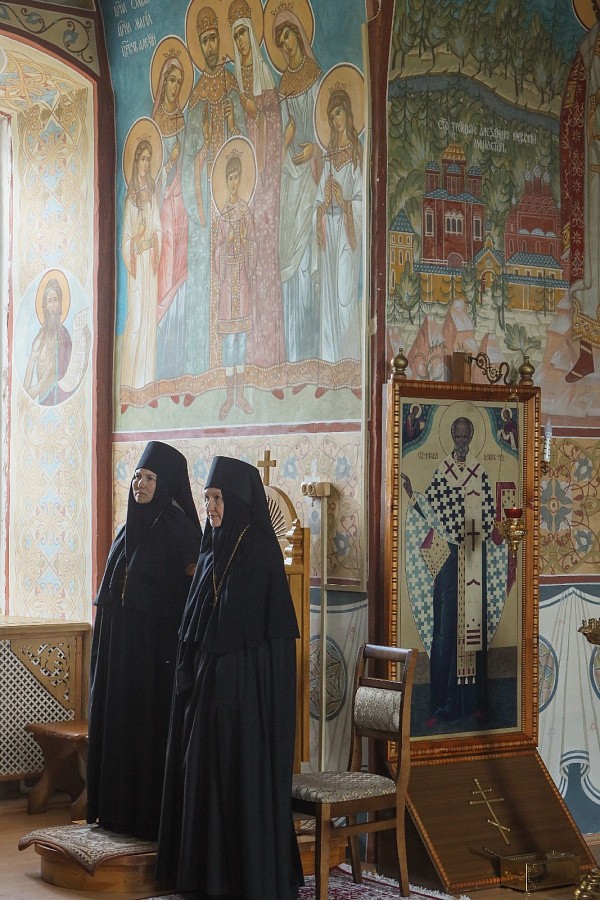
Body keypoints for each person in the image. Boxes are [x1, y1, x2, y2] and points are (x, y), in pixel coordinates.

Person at [156, 456, 303, 899]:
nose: (211, 508)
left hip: (245, 702)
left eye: (218, 499)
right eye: (207, 499)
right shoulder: (210, 550)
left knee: (238, 781)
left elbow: (268, 646)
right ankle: (206, 878)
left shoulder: (260, 554)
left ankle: (241, 878)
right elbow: (194, 625)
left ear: (238, 501)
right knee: (201, 776)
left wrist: (236, 683)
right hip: (208, 693)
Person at [86, 441, 202, 840]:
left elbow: (188, 599)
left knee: (147, 731)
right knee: (120, 726)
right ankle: (116, 812)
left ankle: (146, 818)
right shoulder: (127, 530)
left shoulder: (181, 531)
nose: (141, 484)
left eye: (150, 478)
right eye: (137, 476)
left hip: (154, 659)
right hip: (121, 654)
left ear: (166, 483)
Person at [401, 416, 508, 727]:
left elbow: (489, 513)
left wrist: (478, 525)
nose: (461, 440)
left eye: (465, 435)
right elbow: (432, 508)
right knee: (446, 629)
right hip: (449, 559)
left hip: (474, 554)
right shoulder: (444, 471)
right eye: (457, 435)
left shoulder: (479, 472)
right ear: (452, 437)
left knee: (476, 629)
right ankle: (441, 707)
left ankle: (476, 704)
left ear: (471, 437)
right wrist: (412, 494)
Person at [179, 6, 246, 398]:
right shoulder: (196, 98)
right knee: (207, 279)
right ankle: (205, 369)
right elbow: (189, 156)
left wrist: (234, 126)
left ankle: (235, 376)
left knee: (235, 287)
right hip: (207, 200)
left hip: (231, 200)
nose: (209, 45)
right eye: (202, 40)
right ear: (198, 45)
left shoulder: (231, 84)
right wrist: (202, 149)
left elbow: (243, 139)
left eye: (212, 38)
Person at [229, 0, 286, 385]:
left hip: (265, 184)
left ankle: (270, 355)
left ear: (251, 35)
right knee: (247, 270)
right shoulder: (235, 79)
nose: (240, 41)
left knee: (266, 264)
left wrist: (257, 109)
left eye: (243, 34)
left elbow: (274, 121)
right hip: (245, 185)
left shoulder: (264, 76)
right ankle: (248, 357)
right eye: (235, 36)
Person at [274, 10, 322, 371]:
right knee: (289, 257)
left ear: (298, 37)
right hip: (291, 176)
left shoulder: (315, 76)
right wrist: (286, 143)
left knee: (308, 257)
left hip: (311, 174)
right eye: (280, 43)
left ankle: (310, 347)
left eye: (288, 38)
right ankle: (292, 352)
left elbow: (324, 122)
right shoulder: (283, 85)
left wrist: (315, 149)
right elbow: (283, 131)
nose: (286, 46)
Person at [561, 3, 600, 382]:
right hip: (593, 177)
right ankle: (586, 356)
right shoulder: (586, 54)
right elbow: (572, 114)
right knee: (592, 267)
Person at [314, 87, 362, 378]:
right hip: (330, 231)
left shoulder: (357, 155)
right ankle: (330, 367)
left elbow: (362, 202)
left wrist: (344, 201)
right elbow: (318, 201)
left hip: (346, 230)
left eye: (339, 113)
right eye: (331, 116)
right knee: (329, 297)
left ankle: (348, 363)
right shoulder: (329, 158)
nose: (335, 120)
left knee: (344, 295)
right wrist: (323, 205)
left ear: (348, 114)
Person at [152, 54, 190, 383]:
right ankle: (160, 359)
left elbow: (189, 166)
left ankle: (176, 360)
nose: (175, 87)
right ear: (163, 83)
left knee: (180, 274)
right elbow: (149, 178)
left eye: (180, 82)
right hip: (162, 207)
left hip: (181, 206)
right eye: (171, 81)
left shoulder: (182, 122)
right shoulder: (154, 126)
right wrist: (169, 162)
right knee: (164, 277)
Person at [214, 149, 256, 419]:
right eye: (229, 177)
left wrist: (243, 243)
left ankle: (240, 395)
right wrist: (227, 243)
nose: (233, 182)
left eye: (236, 177)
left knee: (241, 340)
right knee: (229, 340)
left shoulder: (244, 211)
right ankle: (229, 396)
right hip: (229, 281)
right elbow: (217, 250)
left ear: (240, 179)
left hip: (242, 277)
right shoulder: (223, 215)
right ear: (226, 181)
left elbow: (253, 243)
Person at [120, 139, 162, 407]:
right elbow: (125, 239)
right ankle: (128, 389)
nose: (145, 164)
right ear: (135, 162)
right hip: (137, 268)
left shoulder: (153, 196)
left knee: (148, 323)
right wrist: (136, 241)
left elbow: (158, 229)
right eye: (141, 159)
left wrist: (152, 241)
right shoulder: (130, 200)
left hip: (150, 268)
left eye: (148, 159)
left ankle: (146, 389)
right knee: (135, 322)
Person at [24, 276, 73, 406]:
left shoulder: (65, 337)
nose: (52, 306)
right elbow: (26, 392)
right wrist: (46, 375)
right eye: (49, 301)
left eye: (55, 300)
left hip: (62, 402)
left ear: (60, 304)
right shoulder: (38, 341)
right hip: (44, 402)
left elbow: (73, 374)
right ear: (45, 306)